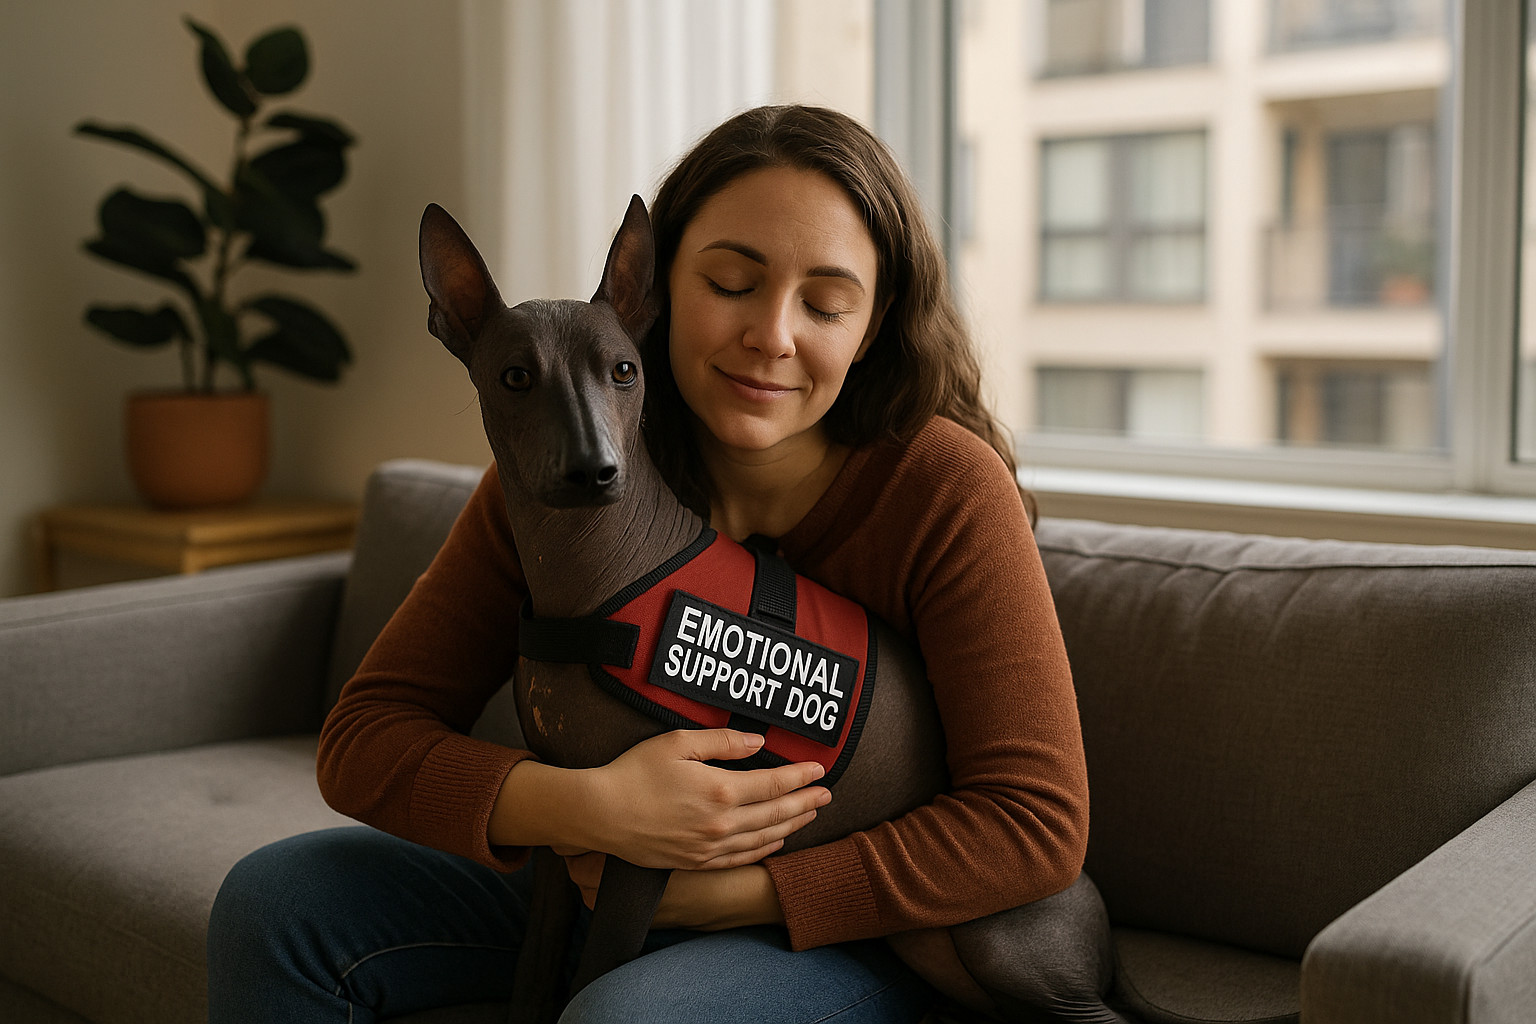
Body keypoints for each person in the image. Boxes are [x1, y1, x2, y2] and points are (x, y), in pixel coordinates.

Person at [207, 104, 1094, 1023]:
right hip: (595, 871)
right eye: (731, 282)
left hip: (849, 930)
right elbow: (365, 739)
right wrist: (590, 810)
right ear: (654, 286)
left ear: (869, 329)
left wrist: (743, 891)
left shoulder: (942, 488)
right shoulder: (572, 462)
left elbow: (1035, 824)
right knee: (280, 903)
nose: (773, 335)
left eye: (826, 303)